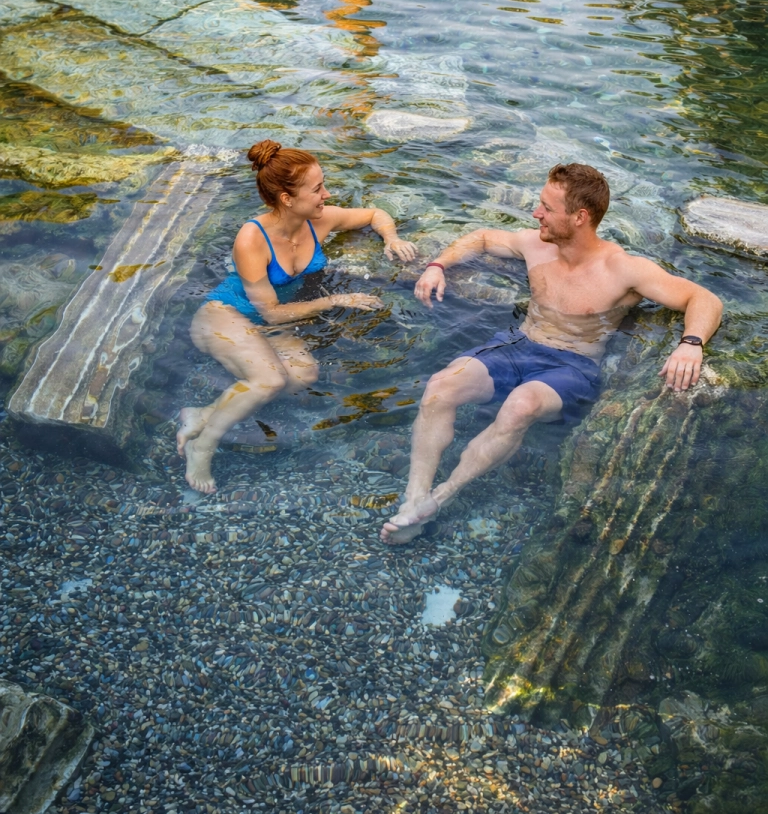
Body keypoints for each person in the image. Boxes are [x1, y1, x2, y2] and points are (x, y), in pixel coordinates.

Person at [381, 162, 723, 545]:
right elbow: (479, 237)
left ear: (580, 217)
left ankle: (442, 497)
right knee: (441, 387)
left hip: (573, 366)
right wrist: (437, 265)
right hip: (519, 344)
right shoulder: (535, 245)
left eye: (546, 207)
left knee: (520, 406)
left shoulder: (623, 269)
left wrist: (691, 344)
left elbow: (703, 297)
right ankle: (415, 497)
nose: (535, 213)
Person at [179, 140, 416, 493]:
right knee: (270, 380)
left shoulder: (317, 222)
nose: (327, 193)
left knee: (303, 374)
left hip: (274, 322)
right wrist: (336, 300)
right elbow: (271, 312)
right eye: (317, 188)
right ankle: (203, 446)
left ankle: (203, 413)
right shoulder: (251, 239)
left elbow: (372, 214)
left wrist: (391, 239)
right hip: (226, 315)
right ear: (287, 198)